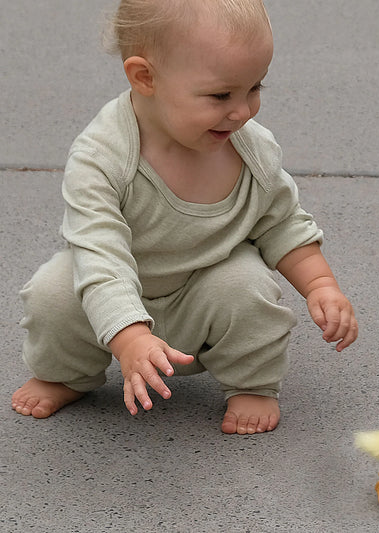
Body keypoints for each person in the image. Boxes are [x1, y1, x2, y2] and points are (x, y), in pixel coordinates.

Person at [11, 0, 358, 434]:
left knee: (248, 287)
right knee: (53, 292)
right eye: (221, 95)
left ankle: (251, 384)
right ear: (145, 77)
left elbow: (283, 221)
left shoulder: (250, 148)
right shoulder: (102, 157)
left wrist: (321, 285)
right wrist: (131, 337)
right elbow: (100, 256)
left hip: (205, 286)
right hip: (113, 294)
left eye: (255, 88)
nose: (243, 111)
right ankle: (66, 375)